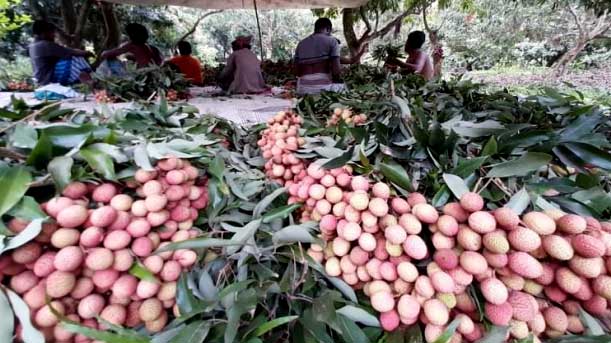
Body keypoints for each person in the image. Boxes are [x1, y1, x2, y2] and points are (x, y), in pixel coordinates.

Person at [28, 20, 93, 86]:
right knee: (75, 57)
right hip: (48, 80)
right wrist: (89, 53)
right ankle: (89, 81)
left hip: (41, 80)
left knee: (69, 57)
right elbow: (73, 52)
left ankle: (85, 79)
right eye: (51, 32)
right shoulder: (46, 45)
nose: (54, 35)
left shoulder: (33, 45)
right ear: (44, 33)